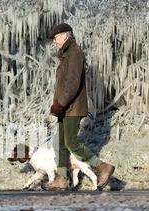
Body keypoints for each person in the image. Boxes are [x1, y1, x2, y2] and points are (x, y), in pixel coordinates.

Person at [47, 23, 115, 191]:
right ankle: (61, 178)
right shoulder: (66, 54)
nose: (54, 41)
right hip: (64, 106)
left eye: (55, 38)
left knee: (70, 142)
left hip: (72, 106)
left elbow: (73, 83)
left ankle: (102, 167)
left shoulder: (74, 53)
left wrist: (60, 103)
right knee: (61, 142)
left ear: (65, 35)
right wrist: (59, 104)